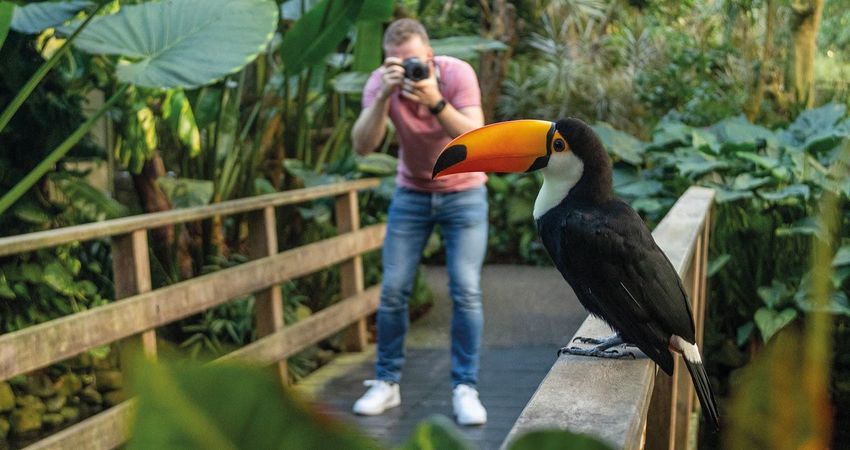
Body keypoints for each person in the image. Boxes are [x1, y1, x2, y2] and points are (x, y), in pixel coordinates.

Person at [350, 18, 488, 426]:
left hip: (463, 193)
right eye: (395, 62)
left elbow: (476, 139)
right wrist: (382, 97)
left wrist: (435, 101)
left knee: (466, 289)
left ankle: (466, 388)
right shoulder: (382, 82)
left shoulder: (457, 74)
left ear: (429, 55)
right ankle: (386, 383)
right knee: (393, 290)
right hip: (411, 193)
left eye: (412, 61)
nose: (405, 69)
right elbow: (362, 144)